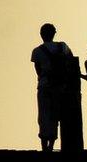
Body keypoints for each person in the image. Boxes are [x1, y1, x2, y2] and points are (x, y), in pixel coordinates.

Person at [31, 23, 74, 152]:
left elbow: (38, 71)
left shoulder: (37, 51)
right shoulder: (63, 46)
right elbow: (71, 61)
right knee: (57, 115)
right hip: (61, 86)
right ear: (54, 33)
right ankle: (52, 144)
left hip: (45, 85)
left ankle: (45, 146)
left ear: (41, 34)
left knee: (44, 116)